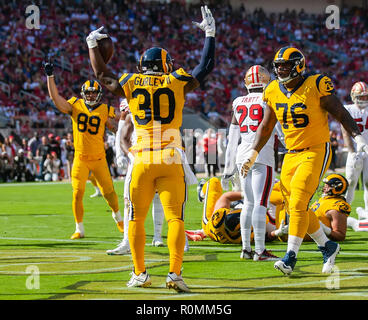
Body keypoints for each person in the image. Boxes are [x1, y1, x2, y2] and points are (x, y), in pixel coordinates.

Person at [87, 5, 215, 292]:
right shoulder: (176, 80)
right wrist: (210, 34)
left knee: (135, 218)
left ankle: (140, 273)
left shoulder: (132, 82)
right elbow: (204, 67)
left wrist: (92, 44)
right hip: (171, 157)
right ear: (166, 65)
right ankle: (175, 274)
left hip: (142, 157)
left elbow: (101, 74)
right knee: (175, 218)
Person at [240, 46, 368, 275]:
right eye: (278, 66)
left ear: (298, 65)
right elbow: (267, 126)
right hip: (291, 153)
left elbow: (339, 111)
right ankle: (327, 245)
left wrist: (358, 137)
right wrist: (253, 152)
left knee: (299, 199)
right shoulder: (272, 90)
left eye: (286, 66)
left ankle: (290, 256)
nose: (281, 71)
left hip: (316, 149)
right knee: (295, 206)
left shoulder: (316, 83)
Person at [43, 64, 124, 240]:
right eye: (88, 93)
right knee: (77, 193)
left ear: (99, 94)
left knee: (109, 193)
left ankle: (118, 218)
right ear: (83, 94)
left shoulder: (104, 109)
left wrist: (120, 123)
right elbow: (56, 99)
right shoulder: (75, 105)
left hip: (99, 158)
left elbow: (119, 121)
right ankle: (79, 228)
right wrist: (50, 76)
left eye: (94, 93)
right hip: (80, 158)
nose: (91, 96)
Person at [222, 65, 278, 261]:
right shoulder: (269, 99)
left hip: (241, 155)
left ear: (246, 82)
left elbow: (232, 137)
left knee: (248, 203)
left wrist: (228, 168)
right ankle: (260, 251)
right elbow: (276, 128)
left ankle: (246, 249)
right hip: (262, 155)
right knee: (261, 204)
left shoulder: (238, 102)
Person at [106, 99, 166, 255]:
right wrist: (120, 154)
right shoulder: (131, 100)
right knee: (129, 199)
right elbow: (121, 131)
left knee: (159, 196)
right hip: (137, 155)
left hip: (158, 153)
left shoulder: (160, 95)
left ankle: (158, 235)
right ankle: (127, 240)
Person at [270, 174, 351, 242]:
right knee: (281, 189)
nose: (324, 187)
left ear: (337, 188)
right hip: (286, 228)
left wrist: (325, 229)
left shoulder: (336, 206)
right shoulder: (324, 200)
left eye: (328, 185)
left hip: (295, 232)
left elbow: (340, 236)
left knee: (285, 194)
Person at [341, 81, 368, 213]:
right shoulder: (348, 109)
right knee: (350, 181)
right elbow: (345, 131)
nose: (363, 99)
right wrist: (351, 152)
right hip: (355, 152)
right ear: (353, 96)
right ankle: (343, 213)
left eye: (365, 96)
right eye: (360, 96)